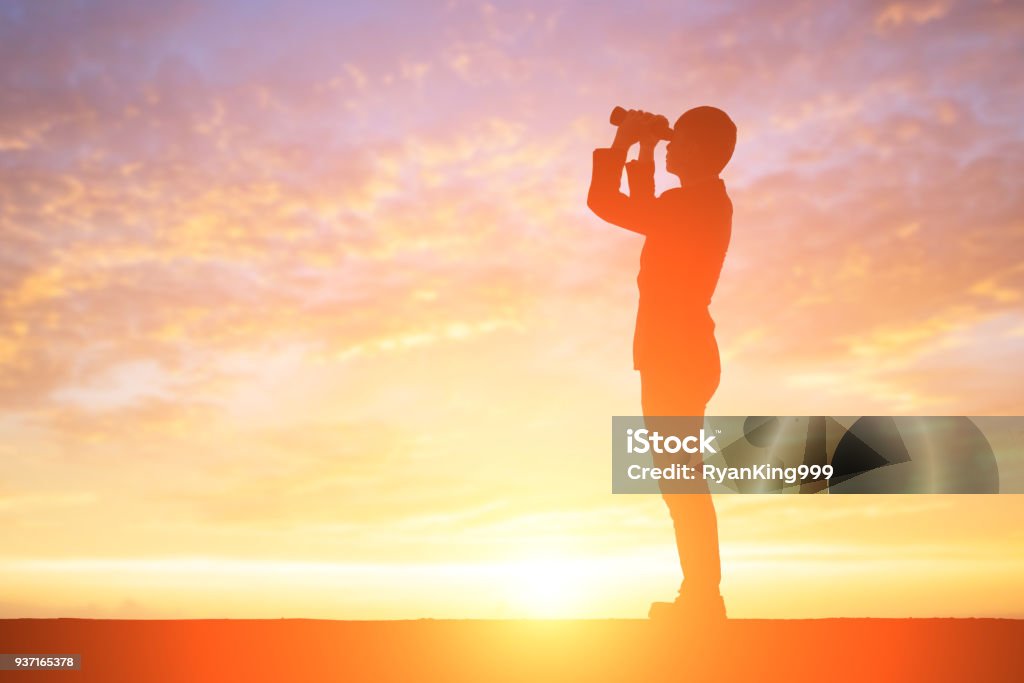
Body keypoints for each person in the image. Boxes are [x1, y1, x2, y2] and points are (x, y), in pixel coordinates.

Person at [587, 106, 736, 622]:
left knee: (681, 480)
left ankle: (702, 599)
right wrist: (646, 150)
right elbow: (649, 210)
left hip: (676, 355)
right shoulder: (700, 202)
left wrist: (626, 142)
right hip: (682, 352)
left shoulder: (694, 204)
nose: (671, 146)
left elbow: (605, 203)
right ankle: (700, 595)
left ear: (696, 151)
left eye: (676, 141)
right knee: (679, 479)